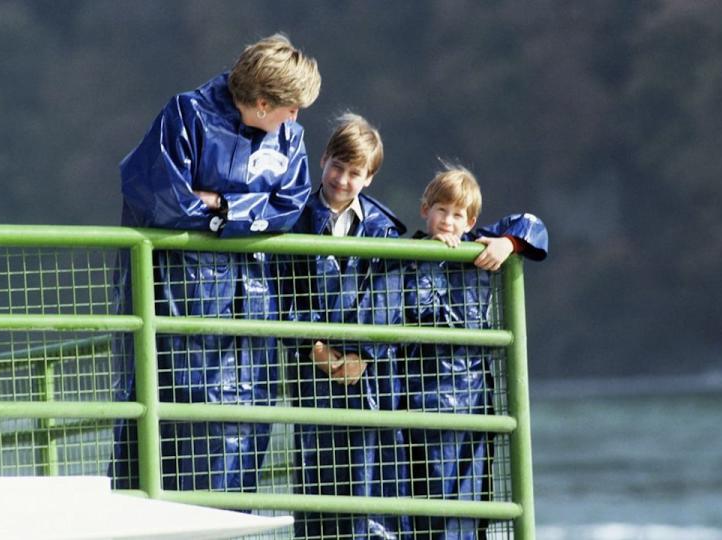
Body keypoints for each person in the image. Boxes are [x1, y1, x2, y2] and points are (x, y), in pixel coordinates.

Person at [108, 33, 321, 494]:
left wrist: (223, 205)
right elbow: (161, 199)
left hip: (253, 318)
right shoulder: (187, 116)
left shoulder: (291, 139)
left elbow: (291, 206)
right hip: (178, 304)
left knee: (240, 450)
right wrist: (250, 211)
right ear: (262, 103)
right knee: (167, 441)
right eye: (291, 107)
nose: (297, 117)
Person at [403, 164, 548, 539]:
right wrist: (429, 258)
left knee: (473, 502)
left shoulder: (479, 249)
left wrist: (508, 244)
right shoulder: (406, 254)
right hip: (421, 399)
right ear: (425, 211)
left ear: (470, 222)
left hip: (473, 402)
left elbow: (533, 226)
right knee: (427, 504)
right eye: (441, 211)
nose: (448, 222)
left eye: (457, 215)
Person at [284, 113, 411, 539]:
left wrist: (363, 355)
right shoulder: (294, 219)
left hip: (371, 378)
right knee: (319, 482)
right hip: (313, 374)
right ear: (323, 160)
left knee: (375, 485)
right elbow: (282, 292)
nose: (342, 179)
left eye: (355, 172)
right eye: (337, 166)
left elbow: (389, 298)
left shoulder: (385, 229)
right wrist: (315, 348)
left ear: (369, 178)